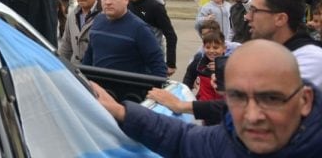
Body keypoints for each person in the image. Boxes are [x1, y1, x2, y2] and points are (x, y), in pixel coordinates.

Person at [94, 39, 321, 157]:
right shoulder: (227, 141)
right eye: (238, 97)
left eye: (271, 98)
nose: (252, 116)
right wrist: (122, 112)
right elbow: (182, 139)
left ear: (305, 100)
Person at [82, 0, 167, 77]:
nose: (108, 2)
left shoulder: (140, 29)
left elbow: (158, 67)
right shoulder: (97, 21)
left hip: (128, 90)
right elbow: (89, 57)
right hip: (98, 89)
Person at [246, 0, 322, 89]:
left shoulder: (311, 59)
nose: (248, 17)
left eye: (254, 11)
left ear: (280, 19)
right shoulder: (272, 53)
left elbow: (271, 101)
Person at [126, 0, 177, 76]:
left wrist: (171, 63)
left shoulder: (155, 7)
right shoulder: (127, 4)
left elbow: (171, 35)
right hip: (131, 59)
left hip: (152, 60)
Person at [57, 0, 100, 65]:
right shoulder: (72, 15)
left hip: (96, 73)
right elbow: (66, 45)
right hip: (76, 71)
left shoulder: (105, 15)